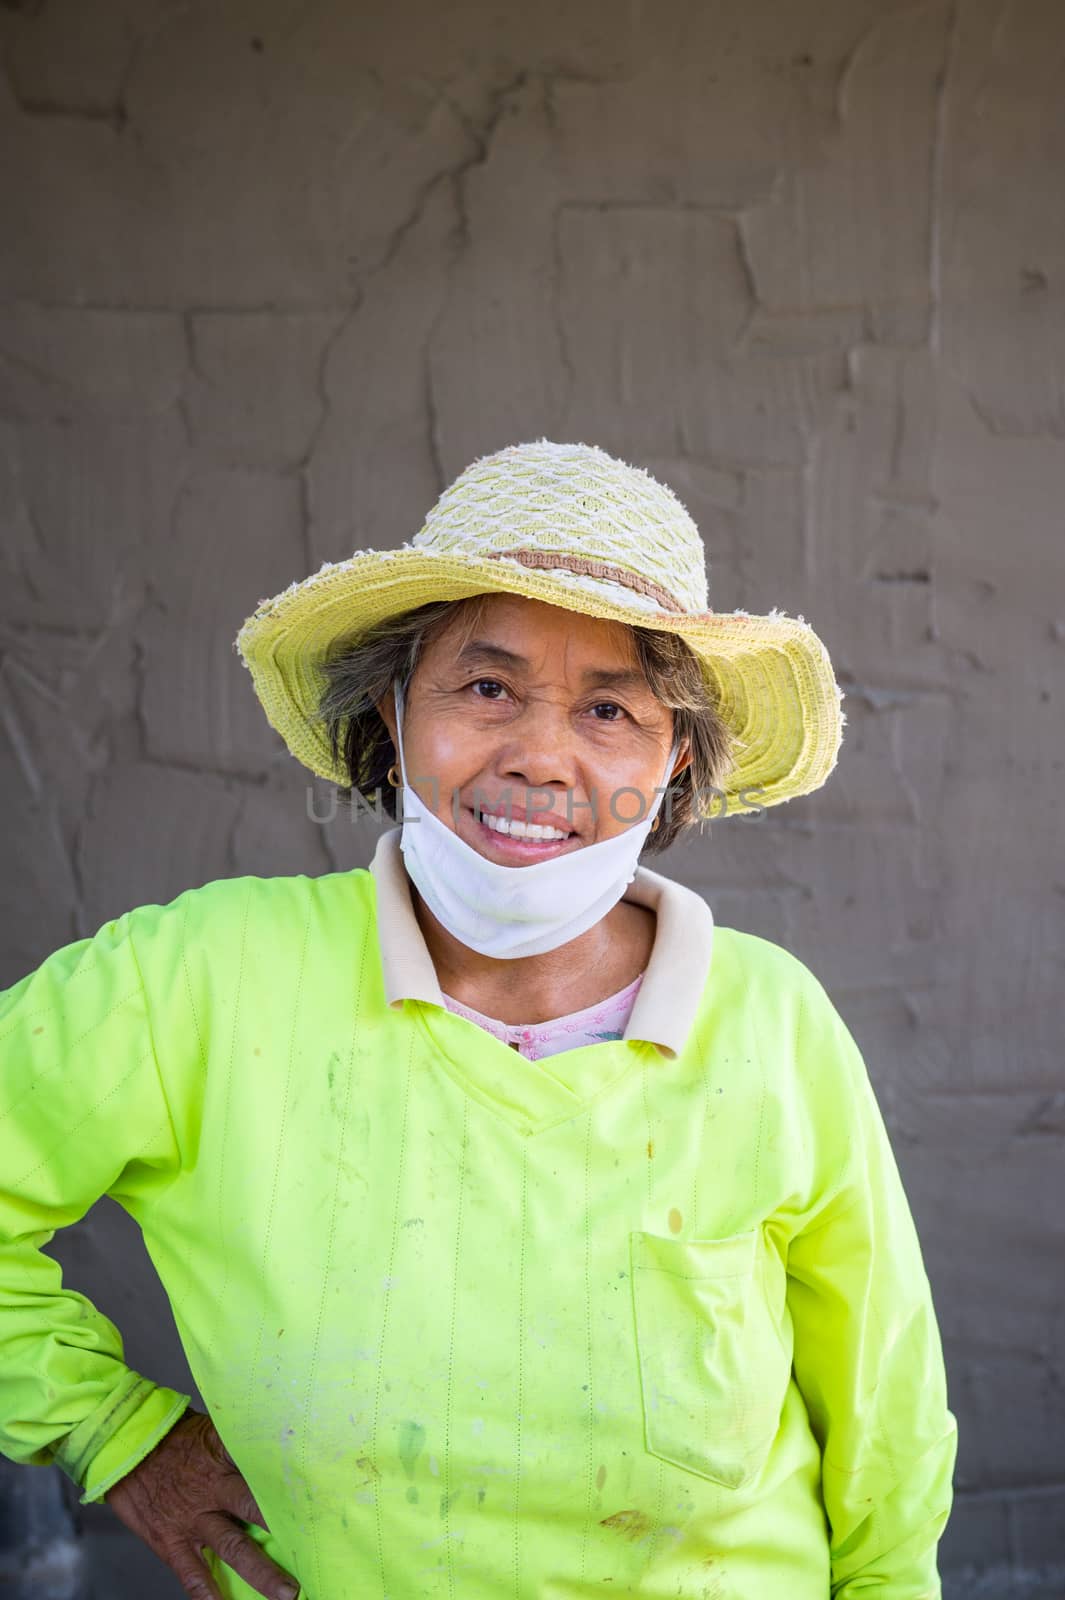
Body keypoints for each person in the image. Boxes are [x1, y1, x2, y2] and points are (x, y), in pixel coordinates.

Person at [0, 439, 957, 1599]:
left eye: (610, 708)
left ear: (677, 763)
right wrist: (118, 1432)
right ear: (396, 713)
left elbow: (886, 1428)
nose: (541, 756)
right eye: (488, 687)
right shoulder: (202, 978)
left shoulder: (774, 1025)